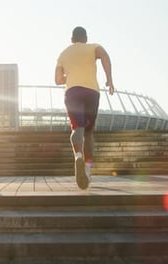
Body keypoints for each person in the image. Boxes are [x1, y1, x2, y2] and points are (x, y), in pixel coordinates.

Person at [55, 26, 115, 190]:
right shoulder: (94, 47)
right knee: (89, 133)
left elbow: (58, 79)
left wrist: (70, 74)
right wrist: (109, 79)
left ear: (71, 39)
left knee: (77, 128)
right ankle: (88, 170)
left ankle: (78, 156)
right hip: (92, 92)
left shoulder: (63, 54)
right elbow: (105, 57)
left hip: (73, 91)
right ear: (86, 38)